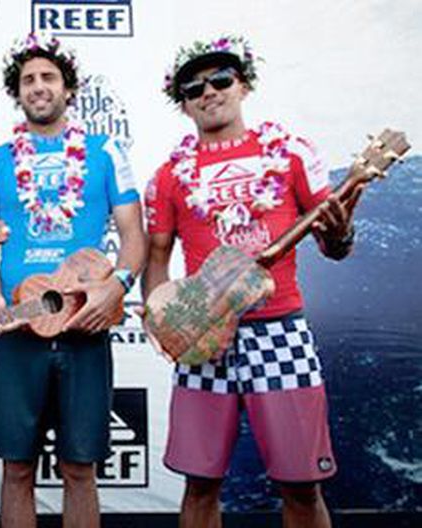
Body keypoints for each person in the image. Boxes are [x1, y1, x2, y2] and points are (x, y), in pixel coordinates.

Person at [142, 35, 362, 528]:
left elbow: (335, 247)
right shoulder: (168, 176)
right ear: (183, 103)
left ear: (243, 86)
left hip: (280, 332)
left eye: (221, 80)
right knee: (200, 483)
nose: (209, 92)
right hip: (203, 336)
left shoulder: (291, 154)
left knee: (302, 485)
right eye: (193, 87)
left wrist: (341, 234)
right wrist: (165, 321)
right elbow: (156, 258)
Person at [0, 33, 147, 527]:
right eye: (28, 80)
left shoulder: (106, 152)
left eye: (49, 77)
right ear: (17, 92)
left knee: (80, 469)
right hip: (17, 329)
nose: (38, 86)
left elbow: (134, 235)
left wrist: (117, 286)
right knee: (16, 468)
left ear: (69, 88)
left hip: (84, 326)